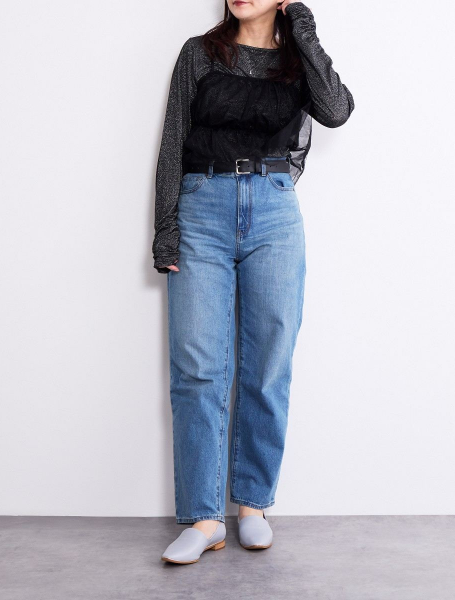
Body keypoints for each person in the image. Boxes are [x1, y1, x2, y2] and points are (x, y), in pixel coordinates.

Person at [153, 0, 354, 564]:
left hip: (273, 211)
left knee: (268, 363)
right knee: (197, 366)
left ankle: (253, 507)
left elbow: (336, 111)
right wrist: (166, 231)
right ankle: (203, 518)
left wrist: (302, 27)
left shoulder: (297, 60)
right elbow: (173, 141)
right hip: (202, 208)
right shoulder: (200, 53)